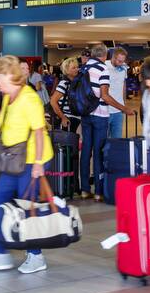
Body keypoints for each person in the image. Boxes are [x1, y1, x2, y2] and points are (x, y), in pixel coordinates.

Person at [0, 55, 51, 275]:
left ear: (8, 75)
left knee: (26, 207)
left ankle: (36, 256)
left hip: (31, 159)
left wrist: (37, 164)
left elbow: (39, 131)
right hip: (13, 159)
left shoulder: (29, 97)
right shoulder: (8, 96)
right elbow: (2, 116)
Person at [79, 45, 116, 200]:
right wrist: (123, 108)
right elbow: (105, 96)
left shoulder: (84, 68)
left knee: (86, 150)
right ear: (105, 55)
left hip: (85, 114)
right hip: (100, 115)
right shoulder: (103, 69)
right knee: (99, 151)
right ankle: (99, 192)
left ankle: (85, 189)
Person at [49, 57, 81, 140]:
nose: (77, 69)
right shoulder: (64, 83)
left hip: (76, 119)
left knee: (74, 145)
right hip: (67, 119)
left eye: (77, 67)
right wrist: (63, 117)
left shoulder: (76, 82)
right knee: (67, 146)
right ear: (66, 70)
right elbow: (53, 101)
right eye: (73, 68)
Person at [105, 47, 130, 138]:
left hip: (118, 111)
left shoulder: (124, 67)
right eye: (119, 61)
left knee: (117, 139)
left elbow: (123, 84)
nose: (121, 63)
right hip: (105, 110)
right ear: (113, 57)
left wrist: (124, 102)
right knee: (104, 140)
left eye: (123, 61)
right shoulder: (104, 66)